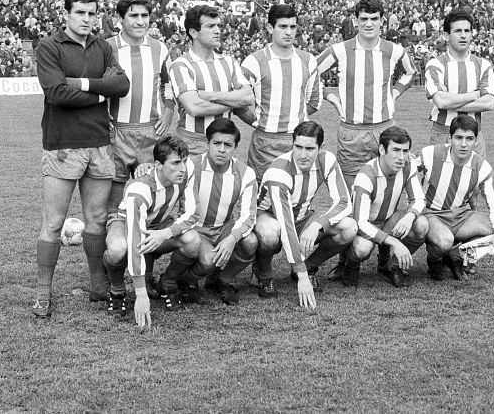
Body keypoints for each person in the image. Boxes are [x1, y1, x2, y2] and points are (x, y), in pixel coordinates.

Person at [33, 0, 130, 318]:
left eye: (92, 14)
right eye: (80, 13)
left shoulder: (103, 47)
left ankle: (97, 285)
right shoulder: (49, 46)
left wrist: (85, 85)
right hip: (63, 145)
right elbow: (57, 93)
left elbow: (121, 85)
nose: (87, 19)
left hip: (100, 145)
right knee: (53, 223)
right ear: (67, 14)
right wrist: (101, 93)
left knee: (98, 220)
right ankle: (42, 292)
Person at [314, 0, 416, 280]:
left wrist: (395, 92)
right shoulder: (341, 50)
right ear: (355, 21)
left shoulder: (394, 50)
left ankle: (384, 256)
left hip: (385, 128)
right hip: (351, 131)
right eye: (363, 19)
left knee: (389, 192)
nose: (369, 24)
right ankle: (349, 262)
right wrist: (332, 97)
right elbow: (310, 72)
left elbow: (410, 73)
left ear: (382, 21)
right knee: (350, 198)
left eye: (374, 19)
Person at [252, 121, 358, 309]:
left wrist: (318, 224)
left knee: (349, 228)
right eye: (298, 147)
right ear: (292, 144)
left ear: (320, 148)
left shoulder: (327, 160)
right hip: (270, 217)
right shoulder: (278, 171)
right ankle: (264, 274)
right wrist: (301, 276)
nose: (302, 154)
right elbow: (285, 224)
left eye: (309, 148)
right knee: (270, 232)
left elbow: (343, 202)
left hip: (302, 217)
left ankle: (309, 266)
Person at [102, 136, 201, 330]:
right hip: (125, 223)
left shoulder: (186, 172)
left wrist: (165, 233)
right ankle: (117, 289)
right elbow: (135, 238)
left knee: (192, 241)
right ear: (158, 164)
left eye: (184, 161)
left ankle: (168, 282)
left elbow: (192, 213)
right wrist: (140, 294)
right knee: (118, 249)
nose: (182, 168)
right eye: (175, 163)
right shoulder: (139, 188)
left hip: (159, 226)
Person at [103, 0, 174, 215]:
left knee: (151, 197)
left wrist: (169, 112)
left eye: (145, 15)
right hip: (117, 132)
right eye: (133, 15)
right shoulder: (107, 48)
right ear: (120, 18)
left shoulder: (159, 48)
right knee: (112, 202)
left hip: (150, 132)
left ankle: (146, 247)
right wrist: (102, 117)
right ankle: (114, 248)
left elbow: (168, 84)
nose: (140, 21)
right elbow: (99, 87)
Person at [418, 115, 494, 281]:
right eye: (458, 137)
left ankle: (457, 254)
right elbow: (406, 168)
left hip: (461, 216)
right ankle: (435, 260)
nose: (463, 144)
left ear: (476, 140)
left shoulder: (482, 166)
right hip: (432, 214)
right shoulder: (430, 154)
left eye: (469, 139)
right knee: (445, 241)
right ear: (450, 138)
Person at [239, 4, 322, 183]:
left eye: (292, 27)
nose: (288, 32)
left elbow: (314, 101)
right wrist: (258, 121)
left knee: (296, 195)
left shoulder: (308, 60)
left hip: (298, 142)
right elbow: (239, 102)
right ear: (270, 28)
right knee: (263, 196)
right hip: (265, 143)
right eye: (282, 27)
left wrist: (293, 115)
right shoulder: (254, 61)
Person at [184, 118, 259, 305]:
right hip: (195, 230)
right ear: (207, 143)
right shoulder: (190, 166)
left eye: (228, 144)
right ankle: (186, 280)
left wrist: (232, 238)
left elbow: (249, 215)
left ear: (235, 147)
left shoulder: (245, 173)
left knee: (250, 242)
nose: (222, 149)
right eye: (217, 143)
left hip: (223, 227)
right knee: (208, 261)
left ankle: (223, 280)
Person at [345, 126, 428, 288]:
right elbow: (360, 223)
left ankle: (391, 266)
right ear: (382, 150)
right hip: (363, 227)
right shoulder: (366, 175)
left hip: (388, 220)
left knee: (421, 224)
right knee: (362, 248)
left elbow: (419, 199)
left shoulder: (407, 166)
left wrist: (410, 216)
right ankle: (349, 264)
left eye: (405, 151)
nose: (401, 157)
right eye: (396, 150)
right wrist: (395, 243)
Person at [169, 4, 253, 155]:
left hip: (224, 142)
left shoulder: (229, 62)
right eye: (210, 26)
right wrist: (232, 102)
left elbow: (247, 97)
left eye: (218, 26)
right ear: (193, 32)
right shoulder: (181, 65)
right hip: (192, 143)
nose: (217, 31)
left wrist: (209, 95)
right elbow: (195, 107)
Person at [424, 8, 494, 157]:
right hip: (443, 132)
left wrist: (451, 99)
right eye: (457, 31)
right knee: (439, 179)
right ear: (446, 35)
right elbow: (441, 102)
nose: (463, 35)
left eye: (467, 31)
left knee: (474, 178)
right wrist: (476, 94)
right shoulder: (435, 65)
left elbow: (488, 103)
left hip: (473, 134)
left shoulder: (483, 65)